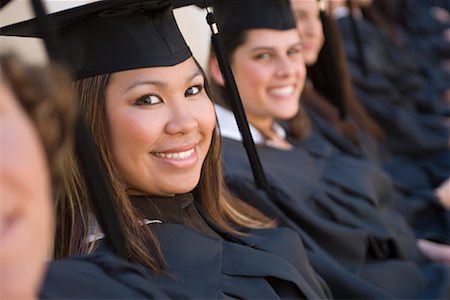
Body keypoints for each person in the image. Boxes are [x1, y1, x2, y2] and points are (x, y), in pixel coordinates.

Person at [1, 1, 331, 298]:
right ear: (85, 123)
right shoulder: (116, 283)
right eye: (148, 99)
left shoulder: (231, 215)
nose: (185, 122)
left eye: (192, 90)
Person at [208, 0, 450, 298]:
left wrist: (424, 250)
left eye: (293, 51)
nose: (287, 70)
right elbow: (333, 274)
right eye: (264, 55)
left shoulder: (287, 129)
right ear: (221, 68)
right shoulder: (233, 172)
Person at [293, 0, 450, 243]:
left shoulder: (317, 96)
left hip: (410, 205)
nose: (313, 29)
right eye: (298, 17)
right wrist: (433, 199)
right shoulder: (291, 126)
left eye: (316, 17)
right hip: (408, 222)